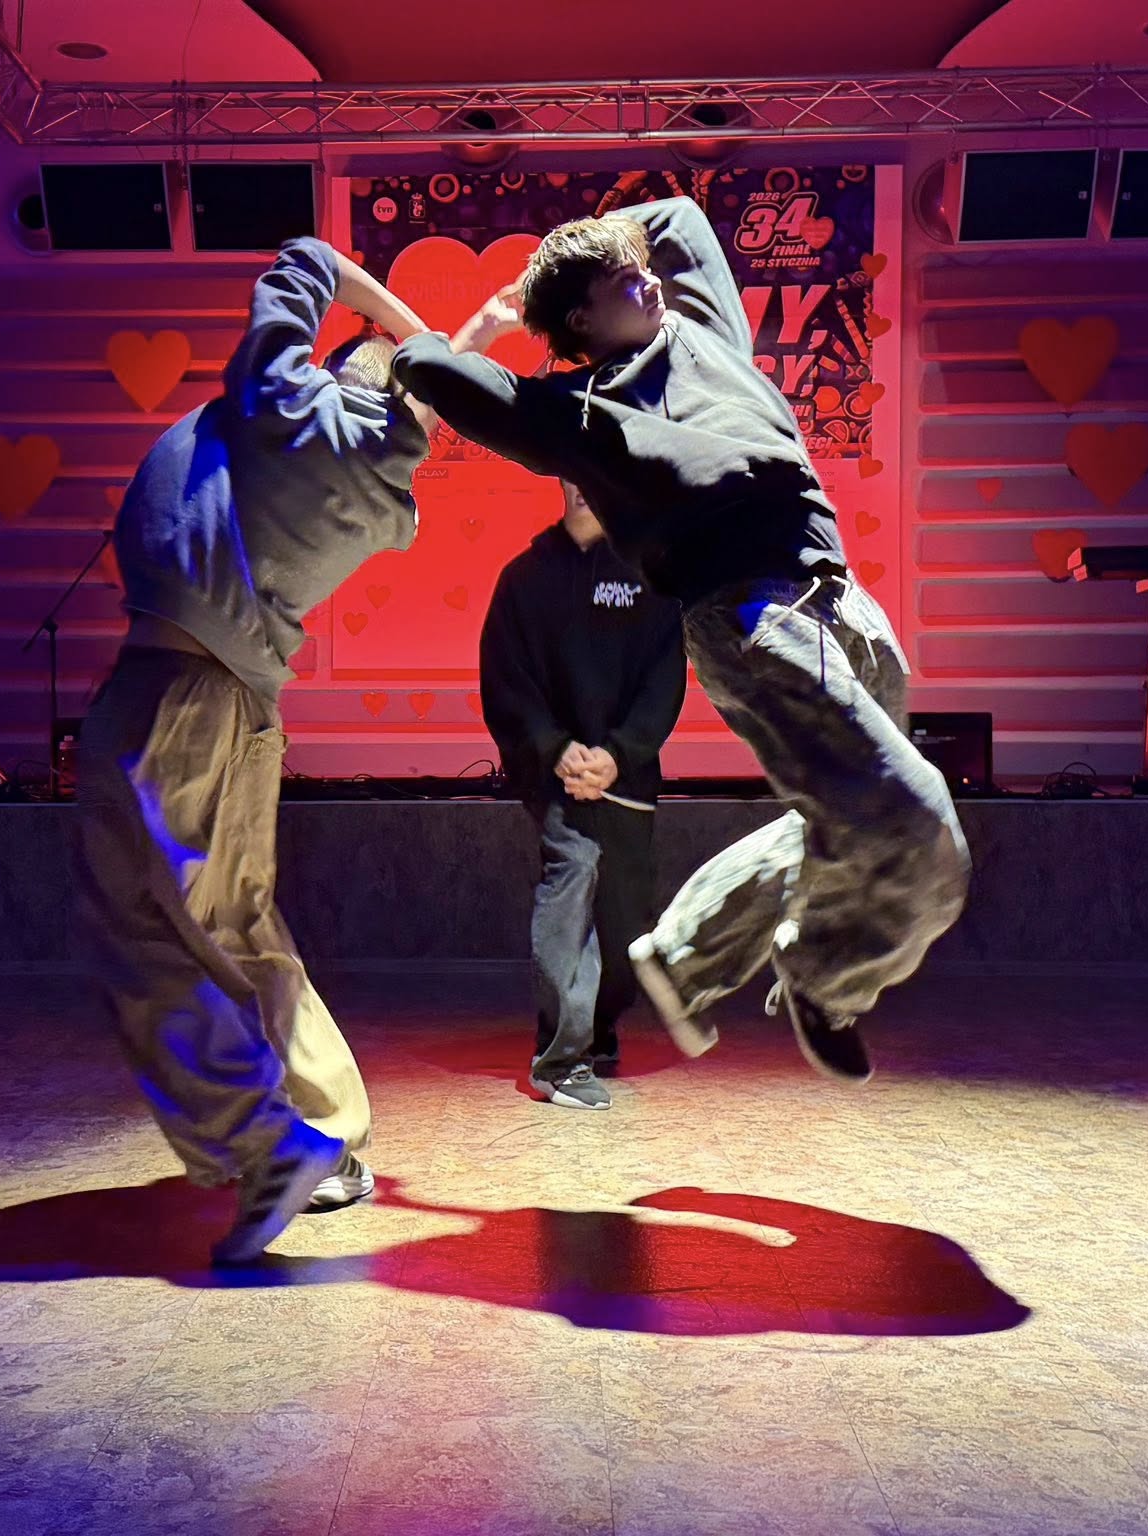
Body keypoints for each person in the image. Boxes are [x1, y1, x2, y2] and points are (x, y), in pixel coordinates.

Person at [392, 198, 970, 1085]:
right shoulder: (583, 413)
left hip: (842, 601)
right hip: (754, 618)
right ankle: (827, 983)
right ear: (583, 321)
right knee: (917, 817)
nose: (648, 280)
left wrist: (585, 243)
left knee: (845, 812)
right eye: (622, 281)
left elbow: (678, 216)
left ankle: (686, 954)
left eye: (640, 268)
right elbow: (437, 370)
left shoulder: (701, 329)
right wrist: (487, 319)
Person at [75, 236, 443, 1264]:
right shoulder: (362, 474)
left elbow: (305, 260)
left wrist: (404, 322)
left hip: (182, 694)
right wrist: (440, 357)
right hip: (198, 693)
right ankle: (314, 1136)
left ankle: (278, 1140)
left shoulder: (289, 410)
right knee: (223, 925)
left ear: (345, 380)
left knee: (166, 937)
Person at [480, 480, 685, 1110]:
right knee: (572, 880)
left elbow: (665, 681)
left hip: (627, 781)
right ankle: (560, 1059)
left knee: (625, 919)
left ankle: (595, 1027)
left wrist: (619, 755)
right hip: (557, 779)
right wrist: (554, 748)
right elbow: (505, 680)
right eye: (570, 473)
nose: (582, 488)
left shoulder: (650, 576)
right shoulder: (525, 579)